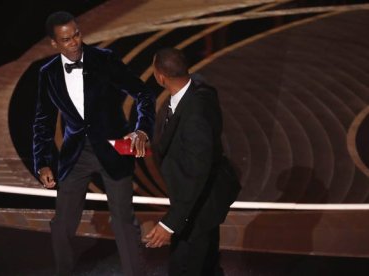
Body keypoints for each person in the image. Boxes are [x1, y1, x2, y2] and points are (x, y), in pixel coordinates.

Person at [32, 11, 155, 275]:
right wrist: (42, 162)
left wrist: (142, 130)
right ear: (54, 43)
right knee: (62, 223)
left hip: (115, 148)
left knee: (123, 220)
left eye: (76, 34)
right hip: (76, 155)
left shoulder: (105, 60)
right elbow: (43, 121)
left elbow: (143, 93)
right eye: (66, 39)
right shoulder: (48, 73)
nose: (74, 42)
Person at [146, 48, 240, 275]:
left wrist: (169, 224)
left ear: (161, 77)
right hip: (208, 200)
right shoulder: (201, 88)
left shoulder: (195, 116)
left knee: (186, 267)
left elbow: (196, 174)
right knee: (207, 265)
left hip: (198, 207)